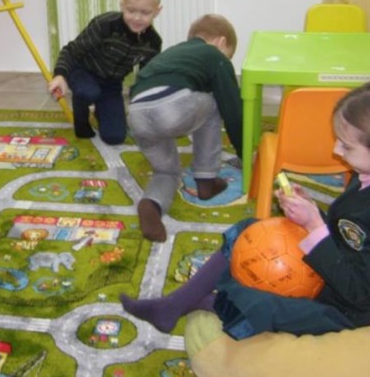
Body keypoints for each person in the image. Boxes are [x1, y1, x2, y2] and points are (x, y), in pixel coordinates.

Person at [121, 82, 370, 339]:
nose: (336, 150)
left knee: (260, 305)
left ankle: (197, 303)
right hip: (333, 267)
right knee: (250, 231)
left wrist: (314, 226)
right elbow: (345, 231)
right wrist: (312, 212)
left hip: (346, 311)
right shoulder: (362, 174)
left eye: (346, 146)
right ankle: (175, 304)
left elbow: (359, 293)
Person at [126, 14, 242, 242]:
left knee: (166, 171)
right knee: (214, 101)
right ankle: (206, 179)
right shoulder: (213, 55)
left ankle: (151, 205)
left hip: (136, 114)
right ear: (221, 42)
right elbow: (233, 109)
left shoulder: (172, 53)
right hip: (171, 108)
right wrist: (245, 152)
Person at [48, 0, 163, 143]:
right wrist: (60, 75)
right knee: (88, 92)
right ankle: (81, 117)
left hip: (112, 84)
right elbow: (71, 51)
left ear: (157, 11)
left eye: (145, 13)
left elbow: (146, 76)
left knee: (115, 137)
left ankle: (101, 111)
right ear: (122, 6)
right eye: (131, 11)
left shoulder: (153, 42)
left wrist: (144, 102)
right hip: (82, 72)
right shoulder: (104, 24)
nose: (137, 18)